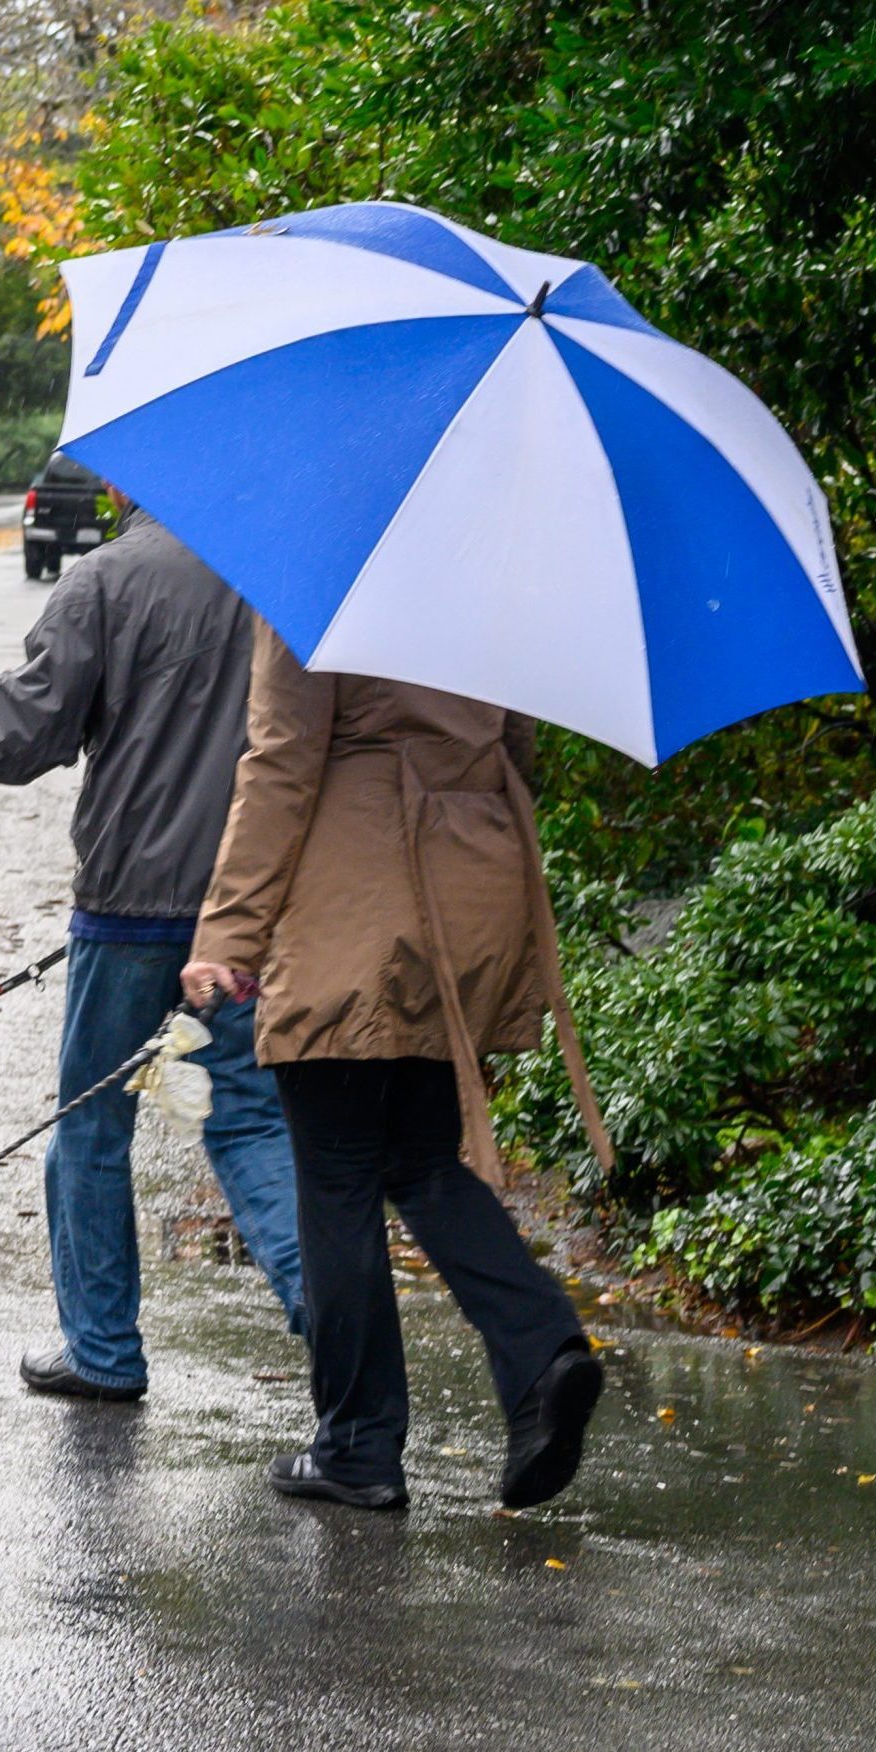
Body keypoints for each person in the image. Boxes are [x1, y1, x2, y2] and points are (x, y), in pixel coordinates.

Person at [0, 491, 306, 1402]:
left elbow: (17, 731)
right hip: (244, 914)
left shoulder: (104, 580)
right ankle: (337, 1323)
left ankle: (102, 1350)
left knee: (90, 1129)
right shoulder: (282, 580)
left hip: (128, 909)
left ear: (124, 483)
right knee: (252, 1122)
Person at [181, 620, 615, 1510]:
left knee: (336, 1177)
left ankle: (355, 1442)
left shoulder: (326, 578)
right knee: (418, 1158)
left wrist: (229, 931)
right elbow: (518, 742)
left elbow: (281, 760)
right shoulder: (487, 571)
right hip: (468, 878)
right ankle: (544, 1351)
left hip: (355, 895)